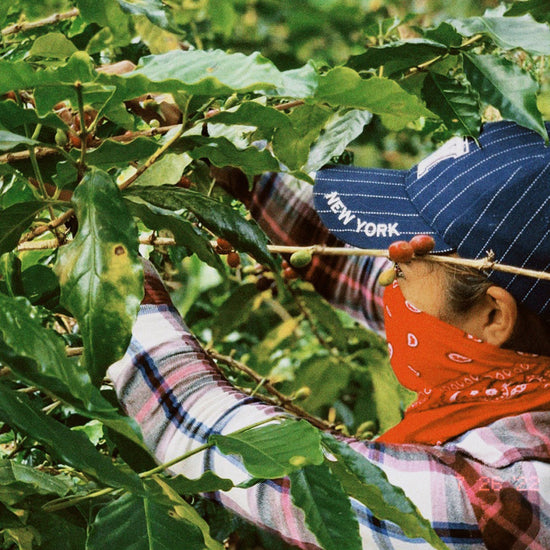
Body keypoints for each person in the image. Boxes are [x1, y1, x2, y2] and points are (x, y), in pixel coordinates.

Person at [108, 120, 550, 549]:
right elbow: (339, 255)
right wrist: (222, 156)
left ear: (494, 315)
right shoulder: (509, 363)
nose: (388, 285)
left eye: (400, 270)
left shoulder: (507, 495)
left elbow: (228, 441)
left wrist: (110, 278)